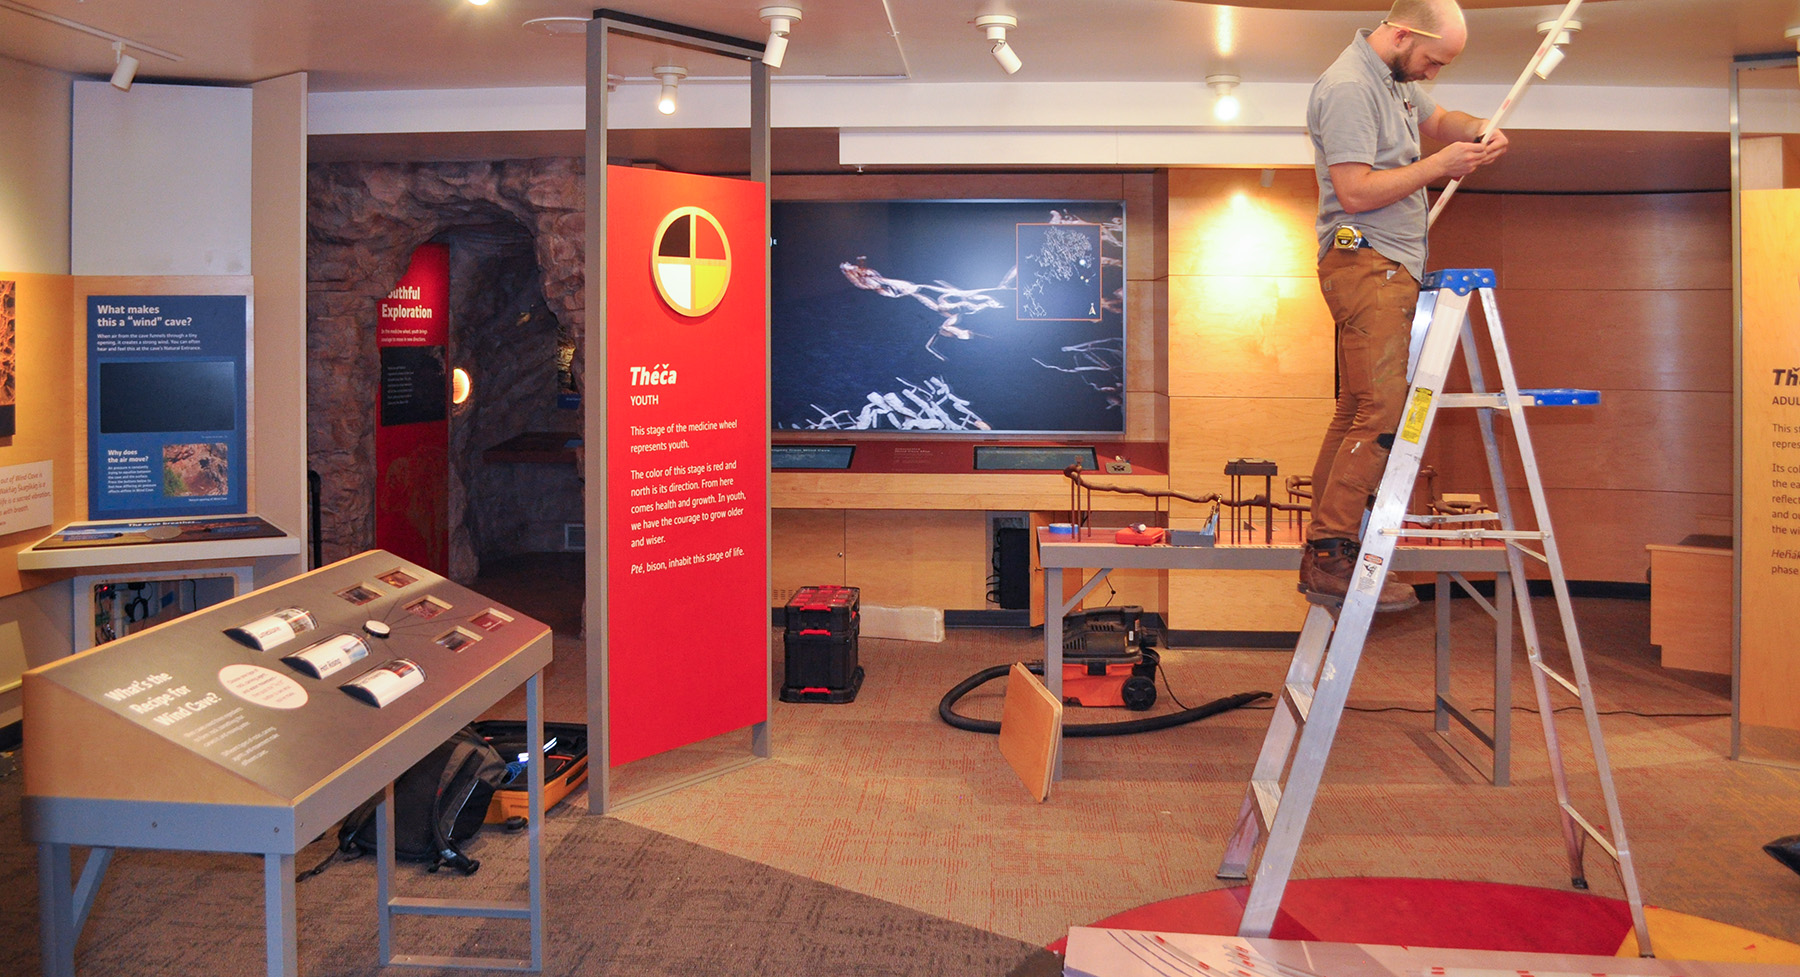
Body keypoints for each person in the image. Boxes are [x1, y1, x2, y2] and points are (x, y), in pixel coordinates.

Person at [1300, 0, 1508, 611]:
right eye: (1432, 59)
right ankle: (1331, 550)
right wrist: (1437, 167)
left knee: (1358, 406)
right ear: (1399, 33)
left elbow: (1441, 117)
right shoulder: (1348, 86)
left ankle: (1325, 545)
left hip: (1381, 261)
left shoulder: (1393, 80)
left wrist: (1475, 131)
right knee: (1385, 408)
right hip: (1367, 258)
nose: (1433, 72)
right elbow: (1355, 191)